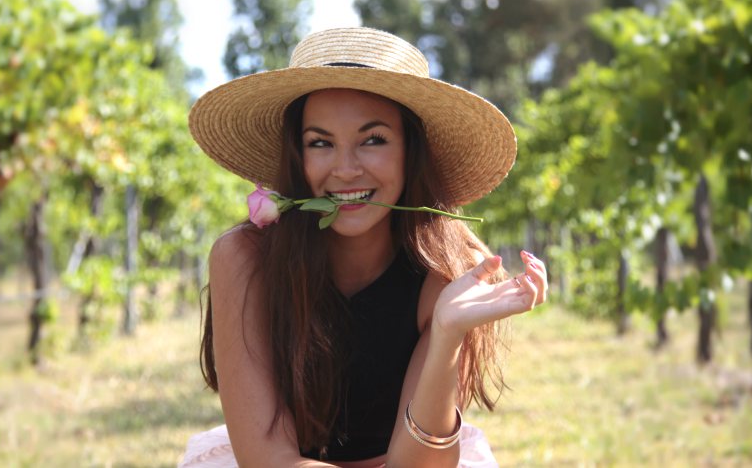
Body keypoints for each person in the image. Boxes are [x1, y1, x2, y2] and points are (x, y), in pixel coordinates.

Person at [180, 27, 547, 468]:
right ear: (298, 155)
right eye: (320, 143)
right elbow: (266, 458)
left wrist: (447, 333)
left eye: (373, 139)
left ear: (411, 149)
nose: (346, 169)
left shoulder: (450, 272)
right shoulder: (245, 258)